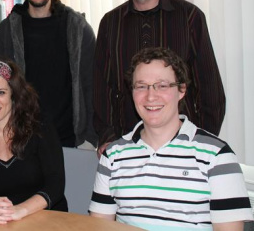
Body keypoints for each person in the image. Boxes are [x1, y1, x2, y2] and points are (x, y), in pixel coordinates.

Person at [89, 47, 253, 231]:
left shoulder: (217, 156)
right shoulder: (112, 156)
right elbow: (99, 227)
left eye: (162, 85)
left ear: (181, 90)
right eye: (141, 86)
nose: (151, 96)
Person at [94, 0, 225, 155]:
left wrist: (201, 141)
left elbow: (209, 88)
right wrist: (108, 138)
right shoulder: (110, 23)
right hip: (127, 145)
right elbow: (102, 88)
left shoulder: (189, 17)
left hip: (184, 146)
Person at [0, 0, 97, 148]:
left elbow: (92, 87)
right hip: (21, 142)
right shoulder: (5, 33)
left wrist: (90, 138)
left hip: (71, 142)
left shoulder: (79, 29)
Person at [0, 58, 68, 224]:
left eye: (0, 92)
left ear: (14, 94)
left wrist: (20, 210)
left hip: (50, 220)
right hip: (8, 223)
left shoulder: (40, 127)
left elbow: (56, 186)